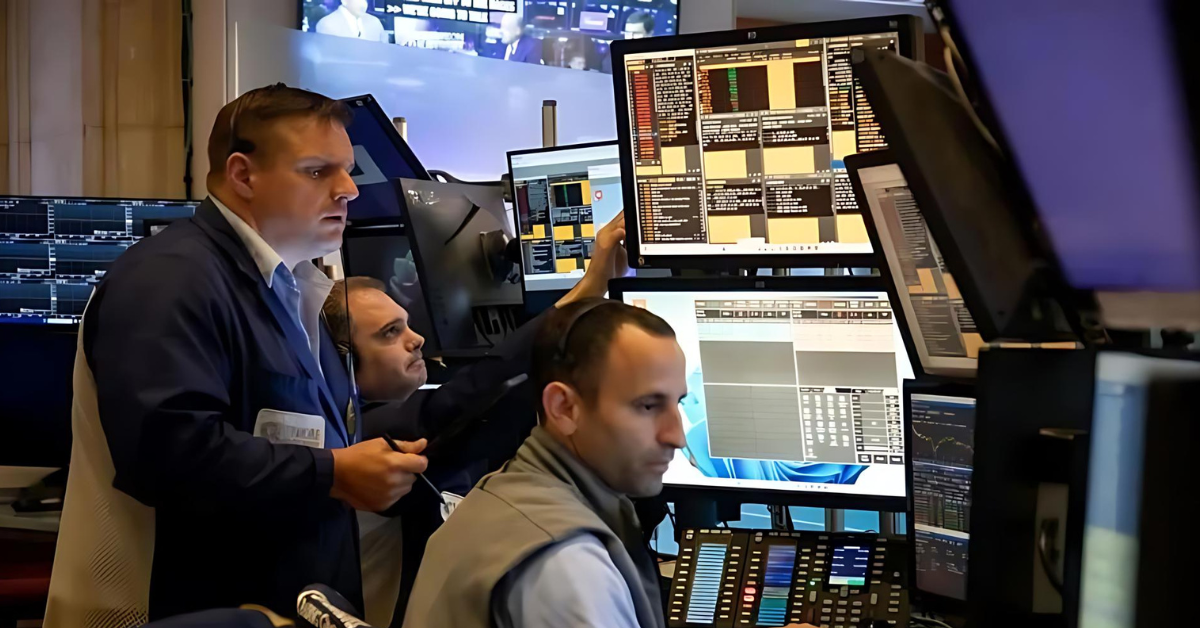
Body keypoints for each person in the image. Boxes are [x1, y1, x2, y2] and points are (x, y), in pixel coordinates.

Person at [44, 84, 428, 626]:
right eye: (318, 171)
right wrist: (331, 473)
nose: (349, 190)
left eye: (346, 171)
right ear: (243, 175)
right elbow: (168, 456)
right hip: (183, 611)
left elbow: (285, 430)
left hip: (279, 602)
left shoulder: (292, 284)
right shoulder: (170, 280)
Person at [323, 213, 630, 626]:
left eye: (407, 325)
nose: (417, 339)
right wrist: (588, 289)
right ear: (342, 361)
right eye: (390, 333)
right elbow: (461, 402)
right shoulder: (363, 440)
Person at [403, 298, 690, 628]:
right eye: (649, 406)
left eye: (678, 403)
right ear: (563, 408)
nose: (677, 437)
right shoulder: (569, 570)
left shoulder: (505, 493)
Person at [316, 0, 389, 43]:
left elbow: (385, 53)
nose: (363, 4)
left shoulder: (375, 22)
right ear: (344, 1)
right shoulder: (327, 24)